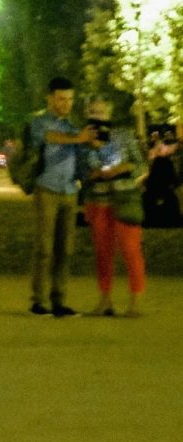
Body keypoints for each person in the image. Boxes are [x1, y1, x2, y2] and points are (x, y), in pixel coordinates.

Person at [27, 74, 93, 317]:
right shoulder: (40, 122)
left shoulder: (71, 126)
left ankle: (59, 300)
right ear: (50, 99)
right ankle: (38, 300)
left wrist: (91, 144)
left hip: (69, 190)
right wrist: (78, 139)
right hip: (47, 189)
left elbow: (81, 151)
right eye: (62, 99)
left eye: (70, 99)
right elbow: (48, 138)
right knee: (44, 248)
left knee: (65, 249)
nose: (66, 104)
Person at [81, 98, 146, 317]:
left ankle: (135, 301)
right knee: (103, 252)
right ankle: (105, 300)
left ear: (109, 113)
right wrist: (94, 171)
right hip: (98, 200)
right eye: (93, 111)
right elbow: (81, 172)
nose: (97, 115)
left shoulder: (124, 135)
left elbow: (141, 165)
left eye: (101, 111)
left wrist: (121, 168)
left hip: (124, 197)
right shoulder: (83, 140)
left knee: (130, 249)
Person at [143, 133, 182, 227]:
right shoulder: (167, 162)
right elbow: (173, 179)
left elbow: (150, 179)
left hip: (153, 192)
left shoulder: (158, 162)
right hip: (165, 191)